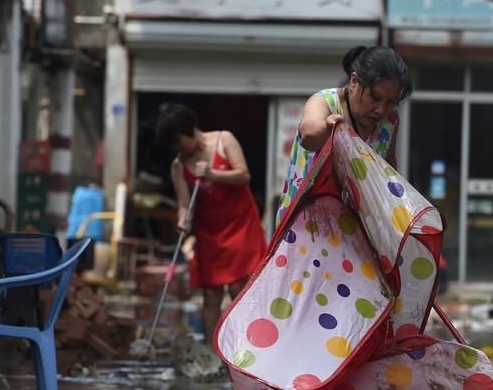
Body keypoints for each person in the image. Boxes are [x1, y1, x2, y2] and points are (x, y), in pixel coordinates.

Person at [157, 104, 267, 342]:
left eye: (178, 141)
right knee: (211, 295)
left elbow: (244, 175)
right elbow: (184, 204)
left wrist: (213, 173)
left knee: (239, 289)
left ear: (189, 129)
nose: (178, 149)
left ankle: (244, 349)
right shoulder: (178, 165)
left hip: (240, 226)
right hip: (210, 233)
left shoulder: (223, 139)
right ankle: (211, 351)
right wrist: (182, 219)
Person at [277, 45, 413, 223]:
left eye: (391, 101)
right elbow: (308, 135)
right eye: (375, 97)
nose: (381, 109)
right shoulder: (326, 101)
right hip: (307, 228)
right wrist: (329, 127)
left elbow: (388, 167)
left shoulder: (391, 119)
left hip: (358, 229)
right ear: (354, 81)